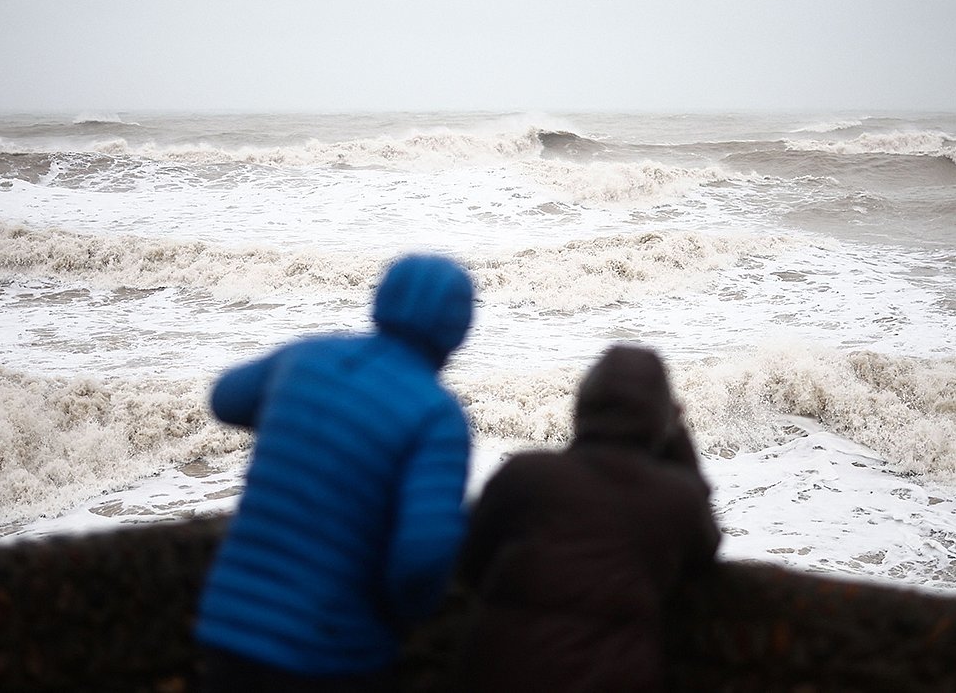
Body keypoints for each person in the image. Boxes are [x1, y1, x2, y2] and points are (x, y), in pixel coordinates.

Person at [195, 253, 476, 692]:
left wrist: (301, 421)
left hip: (230, 626)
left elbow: (226, 399)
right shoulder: (436, 416)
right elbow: (423, 555)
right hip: (333, 649)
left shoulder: (308, 359)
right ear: (457, 331)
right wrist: (404, 616)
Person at [456, 344, 721, 693]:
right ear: (659, 419)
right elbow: (706, 551)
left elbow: (469, 566)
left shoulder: (524, 476)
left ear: (582, 405)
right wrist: (677, 434)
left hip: (498, 673)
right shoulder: (674, 501)